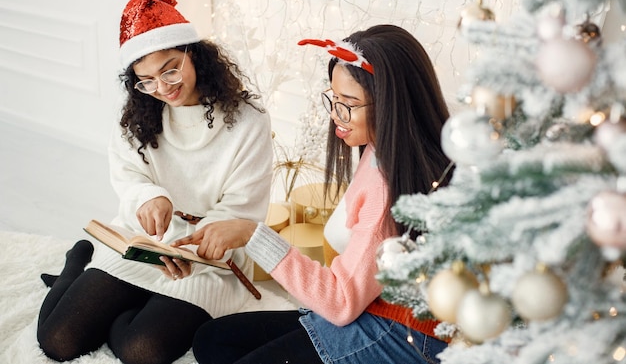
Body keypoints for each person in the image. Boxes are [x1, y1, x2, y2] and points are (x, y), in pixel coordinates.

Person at [174, 24, 454, 364]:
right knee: (212, 340)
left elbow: (340, 302)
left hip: (398, 334)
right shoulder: (382, 149)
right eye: (333, 98)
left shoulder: (390, 191)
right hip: (369, 308)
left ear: (391, 105)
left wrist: (253, 235)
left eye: (349, 103)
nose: (336, 114)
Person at [36, 0, 273, 364]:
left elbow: (243, 205)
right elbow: (127, 172)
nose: (161, 89)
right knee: (58, 340)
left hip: (210, 253)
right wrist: (149, 197)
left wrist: (195, 248)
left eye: (170, 70)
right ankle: (74, 266)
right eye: (146, 80)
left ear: (193, 53)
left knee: (143, 351)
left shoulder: (248, 119)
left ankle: (134, 299)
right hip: (145, 240)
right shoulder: (138, 110)